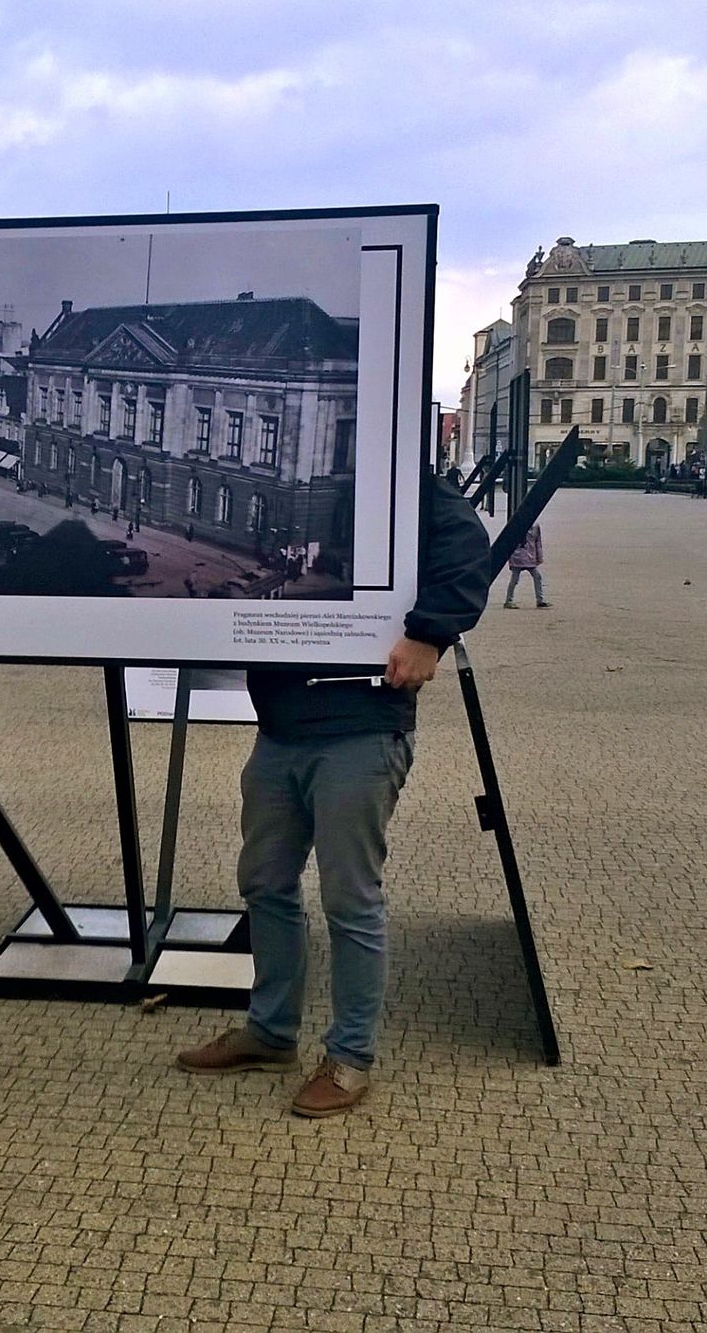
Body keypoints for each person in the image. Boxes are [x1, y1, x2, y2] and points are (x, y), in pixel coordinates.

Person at [176, 476, 492, 1117]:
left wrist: (428, 633)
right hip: (281, 730)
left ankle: (350, 1058)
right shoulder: (310, 491)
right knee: (264, 882)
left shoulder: (399, 467)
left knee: (350, 897)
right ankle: (270, 1034)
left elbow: (466, 547)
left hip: (360, 731)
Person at [502, 523, 547, 608]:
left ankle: (509, 600)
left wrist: (539, 556)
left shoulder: (534, 526)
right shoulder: (531, 526)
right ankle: (509, 601)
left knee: (518, 579)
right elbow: (537, 542)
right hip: (520, 556)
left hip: (525, 556)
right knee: (516, 579)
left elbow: (537, 542)